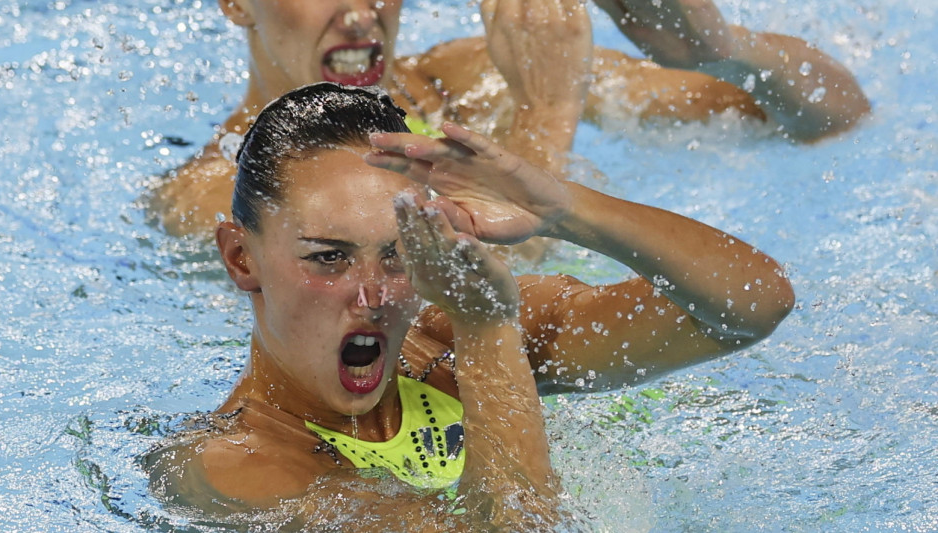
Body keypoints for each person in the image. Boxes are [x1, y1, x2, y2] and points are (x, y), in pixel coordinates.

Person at [145, 83, 794, 530]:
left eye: (398, 253)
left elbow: (751, 304)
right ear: (240, 258)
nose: (372, 295)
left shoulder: (439, 337)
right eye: (328, 257)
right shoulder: (235, 469)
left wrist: (565, 212)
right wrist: (488, 327)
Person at [150, 0, 870, 238]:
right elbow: (429, 288)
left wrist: (722, 48)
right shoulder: (220, 196)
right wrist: (548, 113)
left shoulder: (468, 84)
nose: (363, 8)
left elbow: (825, 118)